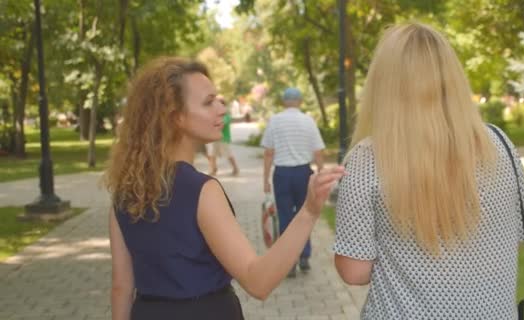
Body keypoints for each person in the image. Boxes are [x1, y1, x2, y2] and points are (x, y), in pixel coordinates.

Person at [105, 57, 345, 320]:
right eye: (209, 102)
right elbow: (258, 281)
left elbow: (121, 288)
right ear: (175, 117)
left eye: (218, 100)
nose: (222, 109)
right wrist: (309, 212)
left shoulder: (126, 192)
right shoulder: (201, 190)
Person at [333, 23, 524, 319]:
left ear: (383, 84)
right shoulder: (501, 145)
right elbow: (515, 240)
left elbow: (354, 270)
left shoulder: (369, 159)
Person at [261, 87, 326, 278]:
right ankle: (304, 257)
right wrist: (321, 174)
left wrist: (265, 179)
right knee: (304, 215)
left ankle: (288, 264)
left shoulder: (275, 121)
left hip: (282, 174)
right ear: (299, 101)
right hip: (303, 173)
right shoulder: (308, 121)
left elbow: (268, 153)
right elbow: (318, 152)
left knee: (285, 218)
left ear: (284, 102)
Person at [207, 95, 239, 176]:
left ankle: (235, 168)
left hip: (223, 138)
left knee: (228, 154)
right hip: (213, 138)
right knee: (212, 154)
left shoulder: (226, 115)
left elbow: (220, 126)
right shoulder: (214, 115)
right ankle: (213, 169)